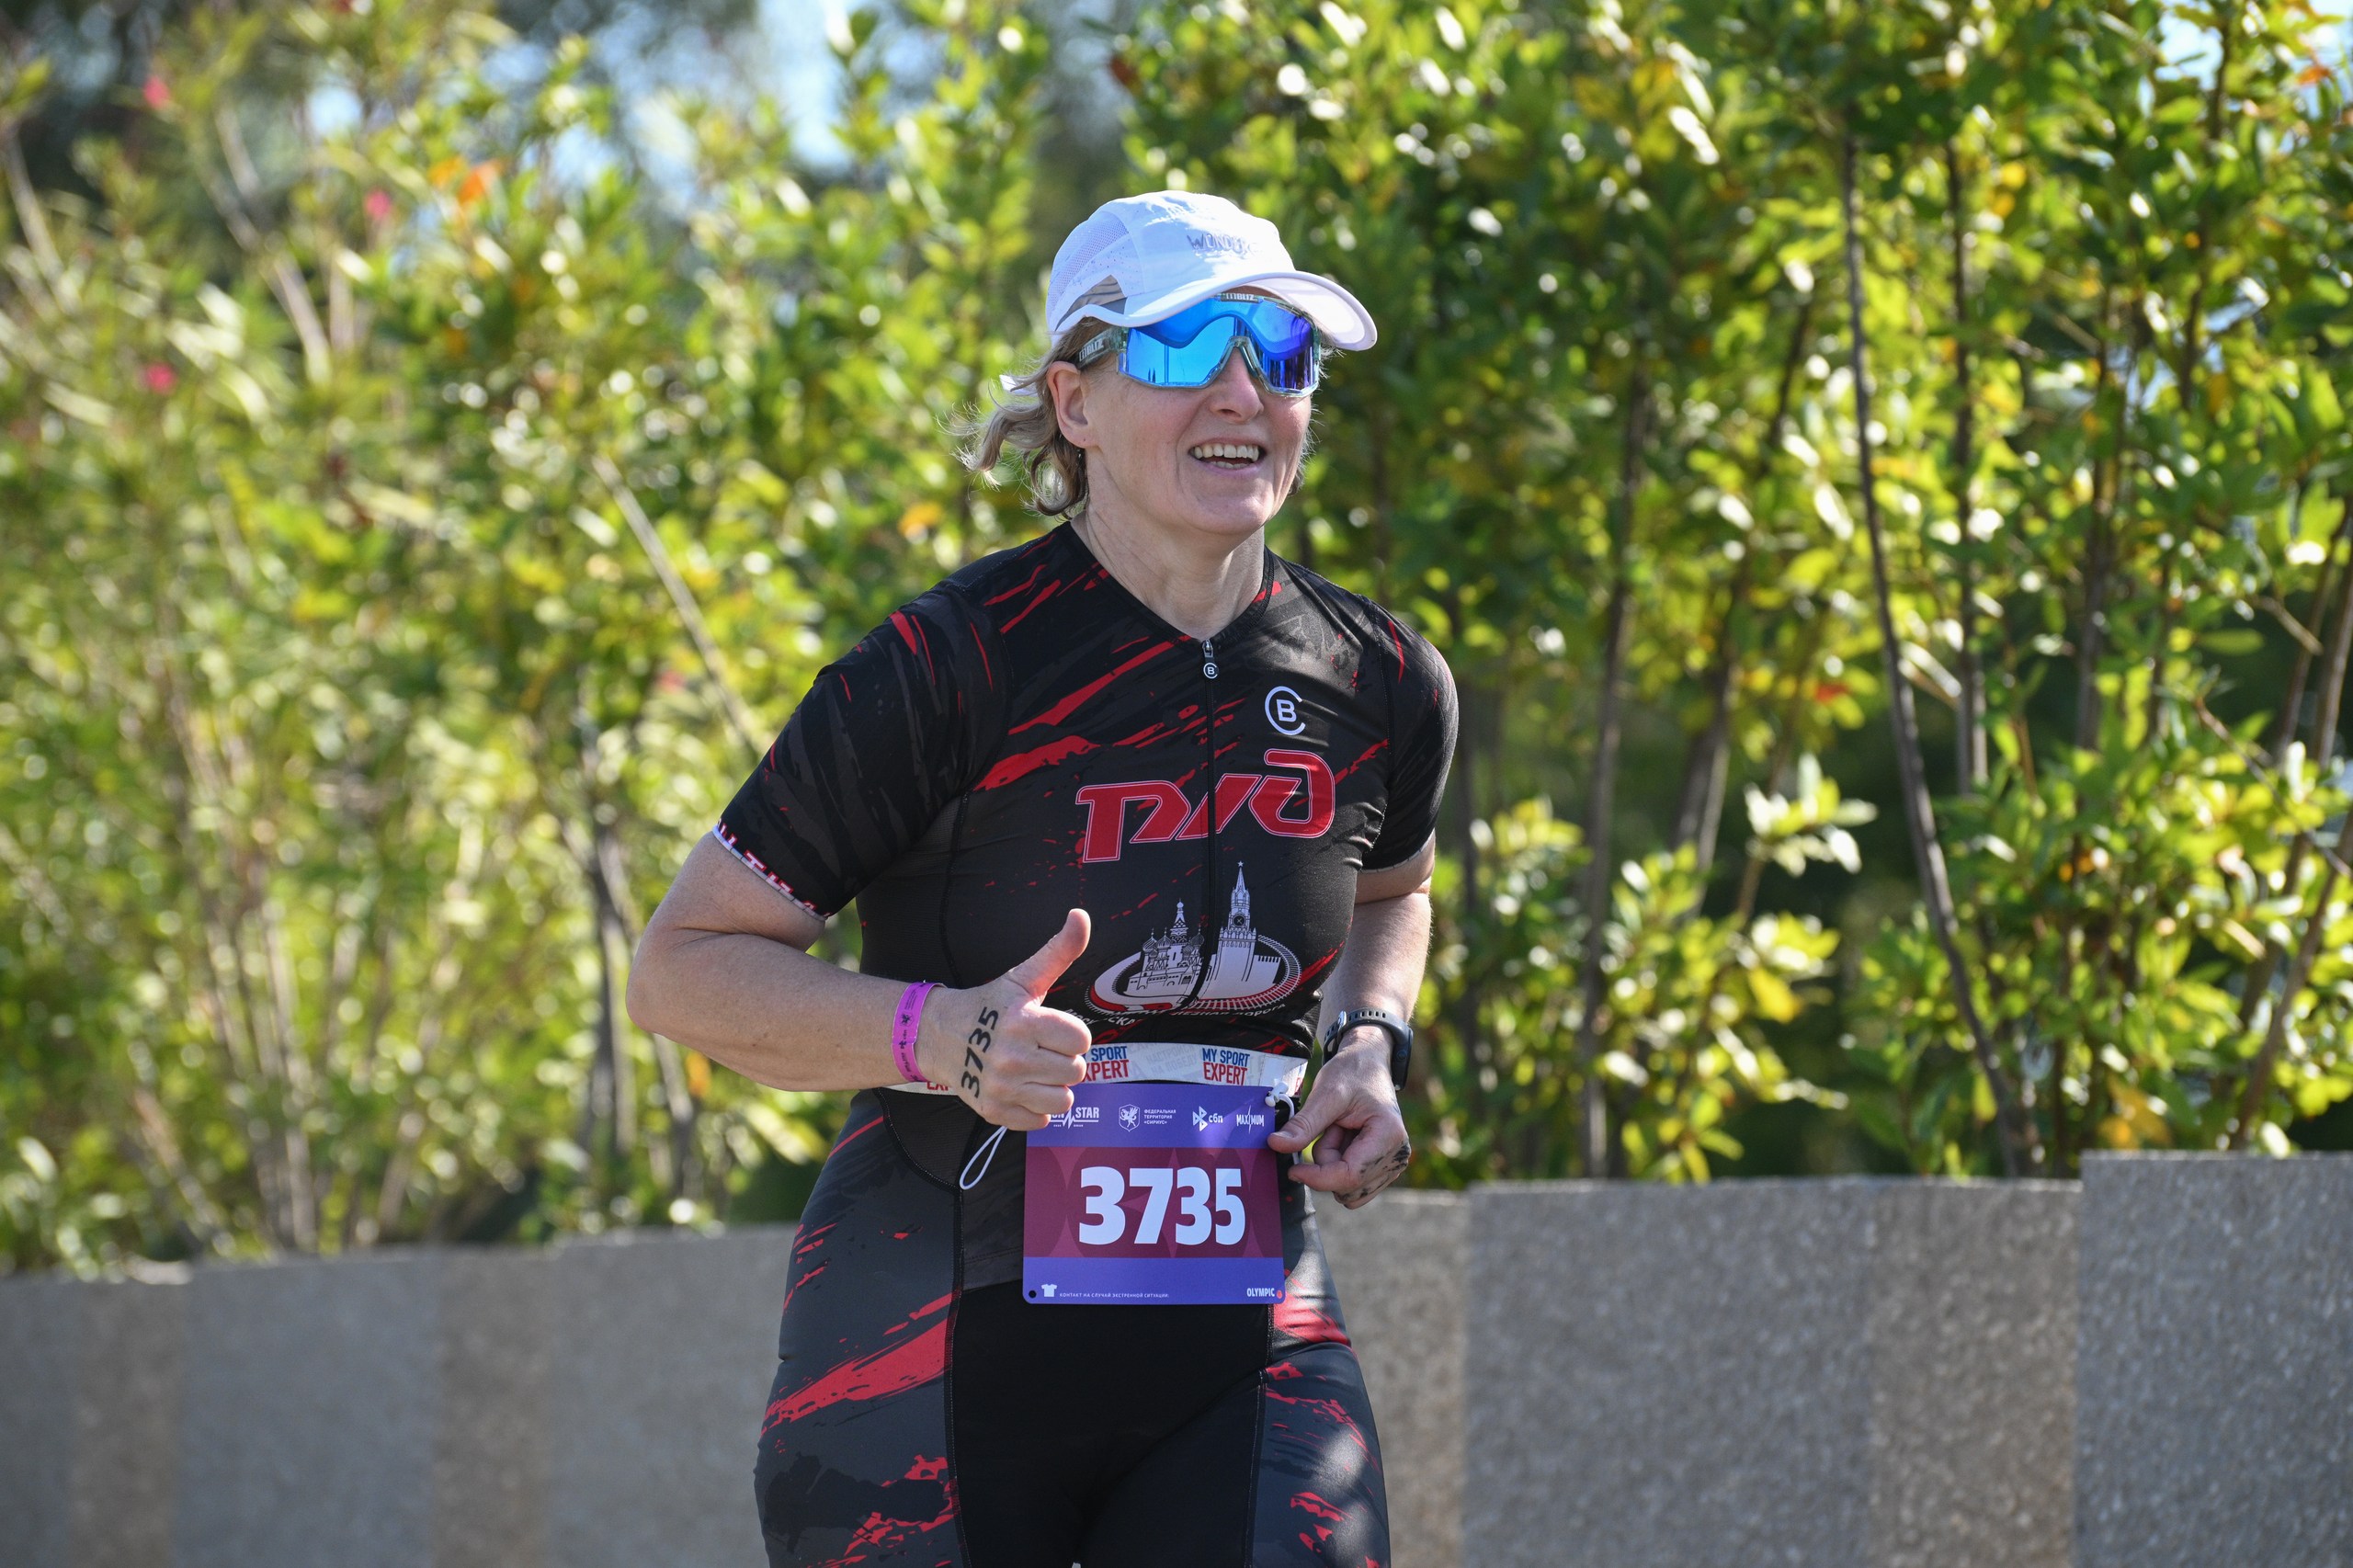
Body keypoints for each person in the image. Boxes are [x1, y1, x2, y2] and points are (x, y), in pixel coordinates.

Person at [629, 189, 1458, 1568]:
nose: (1243, 391)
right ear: (1073, 401)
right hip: (928, 1339)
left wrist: (1370, 1043)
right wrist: (943, 1037)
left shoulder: (1379, 679)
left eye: (1279, 348)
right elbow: (682, 969)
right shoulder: (947, 665)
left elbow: (1392, 891)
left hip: (1246, 1337)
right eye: (1183, 347)